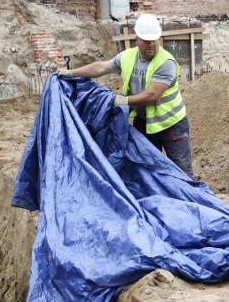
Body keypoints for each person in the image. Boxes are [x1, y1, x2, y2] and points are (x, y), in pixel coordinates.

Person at [59, 14, 195, 179]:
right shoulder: (128, 56)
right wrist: (71, 73)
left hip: (171, 124)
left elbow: (153, 94)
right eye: (146, 40)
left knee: (181, 170)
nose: (151, 44)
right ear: (137, 39)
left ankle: (189, 201)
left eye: (154, 40)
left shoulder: (166, 62)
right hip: (145, 124)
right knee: (148, 171)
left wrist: (124, 101)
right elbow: (101, 68)